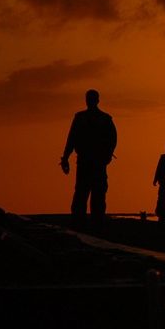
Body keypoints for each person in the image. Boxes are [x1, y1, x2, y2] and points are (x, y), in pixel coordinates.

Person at [61, 89, 117, 228]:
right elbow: (72, 139)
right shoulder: (83, 118)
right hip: (88, 161)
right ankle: (84, 221)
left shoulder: (103, 119)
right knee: (84, 191)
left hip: (95, 161)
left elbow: (112, 139)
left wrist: (107, 155)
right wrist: (65, 158)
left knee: (92, 192)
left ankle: (92, 221)